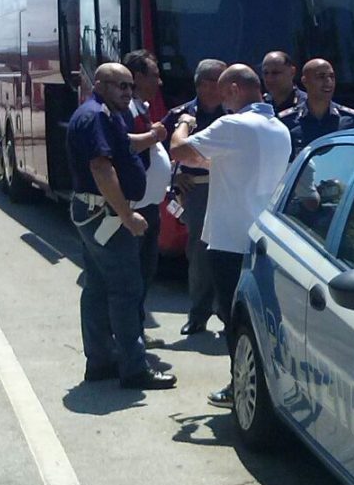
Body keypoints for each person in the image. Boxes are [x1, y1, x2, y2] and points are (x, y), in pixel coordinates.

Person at [169, 64, 291, 408]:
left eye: (224, 94)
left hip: (229, 241)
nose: (222, 102)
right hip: (262, 238)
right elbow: (232, 164)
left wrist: (183, 125)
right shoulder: (277, 127)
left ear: (236, 89)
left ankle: (241, 387)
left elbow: (179, 150)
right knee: (258, 319)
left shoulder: (234, 125)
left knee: (233, 320)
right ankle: (258, 385)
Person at [66, 62, 176, 390]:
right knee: (126, 290)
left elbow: (124, 146)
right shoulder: (96, 115)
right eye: (119, 85)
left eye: (130, 86)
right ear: (98, 84)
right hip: (106, 217)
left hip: (97, 214)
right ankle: (133, 369)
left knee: (99, 287)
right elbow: (102, 168)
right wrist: (127, 217)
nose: (127, 92)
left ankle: (100, 361)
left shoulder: (106, 115)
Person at [162, 59, 228, 337]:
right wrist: (172, 178)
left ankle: (229, 316)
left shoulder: (234, 115)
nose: (223, 86)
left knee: (231, 252)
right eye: (216, 80)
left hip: (230, 188)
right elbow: (158, 151)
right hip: (197, 190)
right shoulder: (181, 115)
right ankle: (198, 315)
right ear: (201, 84)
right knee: (200, 255)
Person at [123, 49, 171, 348]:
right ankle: (129, 338)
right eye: (154, 74)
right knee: (132, 277)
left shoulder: (141, 106)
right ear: (138, 77)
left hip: (150, 207)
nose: (160, 81)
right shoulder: (126, 109)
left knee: (144, 274)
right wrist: (155, 136)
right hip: (136, 209)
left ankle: (136, 331)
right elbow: (124, 146)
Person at [285, 58, 354, 159]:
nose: (328, 82)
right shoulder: (287, 121)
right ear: (305, 81)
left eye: (332, 76)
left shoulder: (350, 119)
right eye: (321, 77)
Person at [261, 51, 307, 131]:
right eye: (266, 73)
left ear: (292, 72)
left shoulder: (308, 105)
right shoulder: (261, 106)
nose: (269, 78)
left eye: (275, 73)